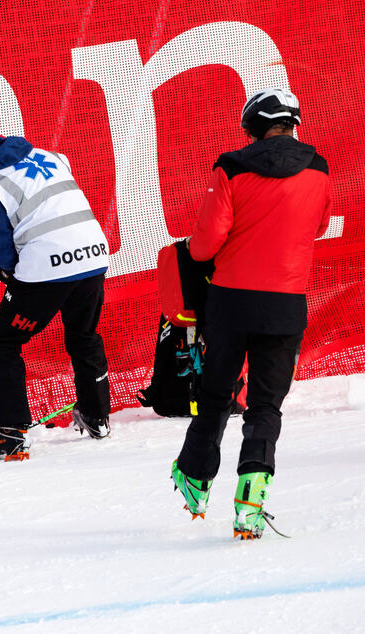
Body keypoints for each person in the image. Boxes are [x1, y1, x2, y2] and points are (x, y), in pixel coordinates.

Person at [171, 88, 331, 539]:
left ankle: (195, 479)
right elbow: (318, 226)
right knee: (266, 405)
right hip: (286, 300)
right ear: (292, 123)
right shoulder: (318, 168)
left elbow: (205, 244)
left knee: (217, 394)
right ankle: (251, 497)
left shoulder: (232, 167)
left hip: (231, 300)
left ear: (251, 127)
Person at [0, 120, 112, 461]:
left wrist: (10, 270)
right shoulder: (52, 155)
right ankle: (97, 415)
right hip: (94, 256)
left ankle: (7, 431)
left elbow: (0, 245)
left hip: (47, 266)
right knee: (83, 335)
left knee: (2, 346)